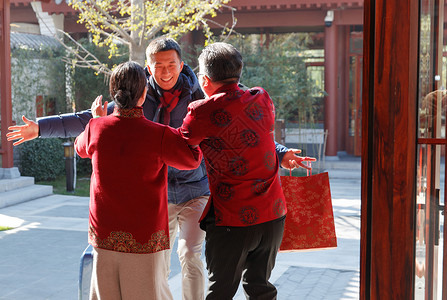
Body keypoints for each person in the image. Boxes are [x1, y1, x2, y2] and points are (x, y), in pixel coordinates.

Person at [7, 37, 312, 299]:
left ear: (184, 66)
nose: (165, 71)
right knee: (159, 263)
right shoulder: (139, 95)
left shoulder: (201, 100)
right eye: (158, 65)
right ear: (147, 68)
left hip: (196, 191)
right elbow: (88, 121)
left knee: (192, 255)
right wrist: (40, 128)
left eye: (171, 64)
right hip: (163, 196)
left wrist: (280, 152)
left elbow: (241, 129)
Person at [178, 42, 315, 299]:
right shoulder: (261, 97)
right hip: (272, 216)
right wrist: (282, 152)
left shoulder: (200, 113)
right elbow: (250, 135)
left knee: (220, 292)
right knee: (260, 288)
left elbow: (181, 141)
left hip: (233, 220)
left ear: (204, 80)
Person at [74, 61, 202, 299]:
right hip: (145, 236)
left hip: (104, 233)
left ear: (115, 94)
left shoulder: (96, 128)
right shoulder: (158, 134)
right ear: (144, 94)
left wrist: (97, 119)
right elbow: (192, 159)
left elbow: (81, 148)